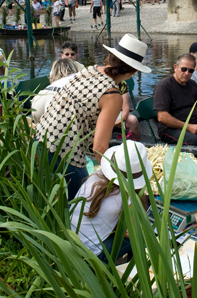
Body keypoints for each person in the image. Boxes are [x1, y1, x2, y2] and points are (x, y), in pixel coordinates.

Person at [35, 34, 151, 199]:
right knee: (78, 202)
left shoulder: (89, 70)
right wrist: (120, 181)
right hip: (63, 152)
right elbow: (99, 148)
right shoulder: (112, 95)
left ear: (109, 57)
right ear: (132, 72)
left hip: (40, 139)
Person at [70, 140, 152, 263]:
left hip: (71, 241)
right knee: (142, 234)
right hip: (91, 255)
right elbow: (131, 232)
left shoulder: (96, 176)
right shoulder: (126, 197)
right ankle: (130, 270)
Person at [32, 58, 80, 123]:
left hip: (40, 97)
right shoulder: (77, 77)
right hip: (59, 96)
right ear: (73, 68)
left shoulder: (55, 83)